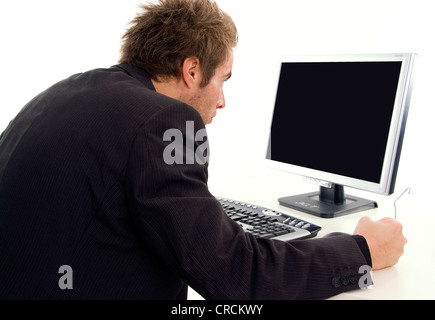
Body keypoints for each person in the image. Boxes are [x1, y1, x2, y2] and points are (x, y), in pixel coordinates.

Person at [0, 0, 406, 300]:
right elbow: (235, 276)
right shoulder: (162, 120)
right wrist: (362, 251)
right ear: (192, 70)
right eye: (222, 80)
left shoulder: (70, 90)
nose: (223, 100)